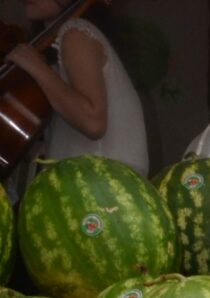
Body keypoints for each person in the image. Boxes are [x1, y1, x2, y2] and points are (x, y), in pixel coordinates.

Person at [4, 0, 149, 186]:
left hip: (101, 190)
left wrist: (36, 67)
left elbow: (93, 122)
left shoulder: (76, 34)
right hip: (97, 187)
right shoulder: (66, 41)